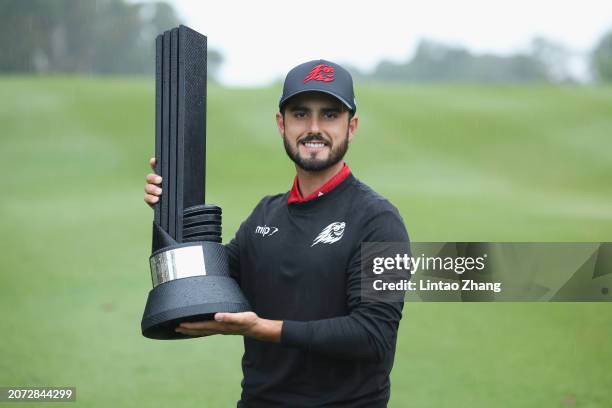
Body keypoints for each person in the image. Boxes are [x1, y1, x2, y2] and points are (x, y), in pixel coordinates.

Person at [144, 59, 410, 407]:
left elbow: (374, 336)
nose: (314, 127)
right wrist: (168, 214)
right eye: (300, 114)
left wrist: (262, 329)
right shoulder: (263, 216)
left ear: (352, 126)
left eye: (330, 115)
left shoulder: (380, 220)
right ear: (281, 124)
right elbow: (201, 290)